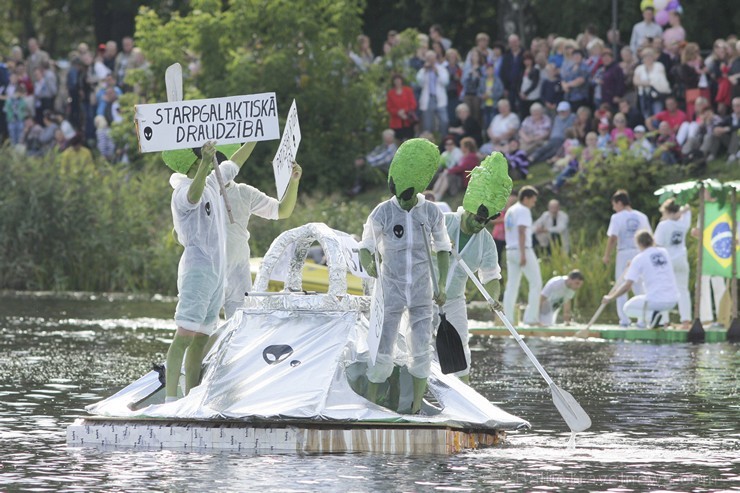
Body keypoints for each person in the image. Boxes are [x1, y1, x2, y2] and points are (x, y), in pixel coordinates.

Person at [359, 138, 451, 414]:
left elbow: (443, 248)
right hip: (391, 288)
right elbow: (366, 245)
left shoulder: (431, 212)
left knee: (422, 348)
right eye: (400, 195)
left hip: (423, 290)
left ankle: (414, 408)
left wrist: (443, 284)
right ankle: (373, 403)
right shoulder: (383, 211)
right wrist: (368, 262)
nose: (404, 200)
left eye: (408, 196)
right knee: (383, 347)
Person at [163, 141, 251, 402]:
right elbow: (193, 196)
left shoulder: (213, 181)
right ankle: (170, 398)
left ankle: (191, 396)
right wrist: (204, 162)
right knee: (184, 336)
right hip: (198, 271)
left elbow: (235, 163)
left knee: (201, 338)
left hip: (216, 273)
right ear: (192, 159)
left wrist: (257, 132)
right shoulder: (181, 190)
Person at [434, 152, 512, 382]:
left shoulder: (486, 240)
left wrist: (494, 297)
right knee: (418, 351)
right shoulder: (443, 221)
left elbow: (490, 274)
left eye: (485, 221)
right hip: (422, 297)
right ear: (468, 208)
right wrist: (437, 245)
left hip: (454, 301)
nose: (480, 224)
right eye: (478, 218)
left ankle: (466, 398)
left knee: (461, 352)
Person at [220, 144, 303, 319]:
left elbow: (282, 211)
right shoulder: (202, 191)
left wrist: (294, 182)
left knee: (240, 328)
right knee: (199, 333)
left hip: (237, 272)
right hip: (208, 269)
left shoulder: (244, 192)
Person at [602, 230, 679, 328]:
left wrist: (611, 297)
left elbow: (627, 286)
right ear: (652, 240)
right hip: (673, 301)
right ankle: (657, 320)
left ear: (638, 243)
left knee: (627, 308)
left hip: (656, 301)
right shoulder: (664, 252)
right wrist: (633, 265)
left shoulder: (639, 259)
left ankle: (652, 317)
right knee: (650, 301)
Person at [602, 189, 652, 326]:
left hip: (624, 252)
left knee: (621, 284)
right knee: (640, 286)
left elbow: (613, 237)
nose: (614, 208)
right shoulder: (642, 216)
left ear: (619, 203)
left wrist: (607, 255)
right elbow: (650, 236)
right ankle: (642, 320)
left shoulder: (616, 217)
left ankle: (624, 320)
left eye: (614, 205)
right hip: (640, 252)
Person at [503, 186, 542, 325]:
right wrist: (523, 254)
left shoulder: (510, 210)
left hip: (510, 250)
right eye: (533, 200)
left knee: (512, 285)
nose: (534, 203)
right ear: (526, 198)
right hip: (522, 249)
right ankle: (530, 318)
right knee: (536, 283)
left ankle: (508, 319)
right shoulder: (523, 210)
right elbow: (521, 231)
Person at [654, 199, 691, 329]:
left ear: (667, 212)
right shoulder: (683, 224)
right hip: (681, 260)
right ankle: (686, 321)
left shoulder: (663, 225)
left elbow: (657, 244)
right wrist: (682, 210)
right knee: (683, 290)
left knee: (665, 289)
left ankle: (665, 321)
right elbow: (688, 208)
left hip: (667, 261)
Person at [349, 129, 398, 196]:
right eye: (385, 137)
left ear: (392, 137)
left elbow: (384, 160)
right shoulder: (380, 147)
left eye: (388, 137)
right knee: (361, 163)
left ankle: (358, 188)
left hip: (386, 170)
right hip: (376, 167)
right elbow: (372, 155)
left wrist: (366, 162)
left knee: (365, 168)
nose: (385, 138)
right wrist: (364, 160)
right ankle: (357, 188)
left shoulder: (393, 148)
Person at [417, 50, 449, 136]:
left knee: (444, 121)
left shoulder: (441, 69)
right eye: (428, 59)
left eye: (432, 58)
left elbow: (445, 82)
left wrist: (436, 72)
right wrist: (424, 70)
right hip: (428, 99)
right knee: (428, 124)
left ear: (435, 59)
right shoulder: (423, 70)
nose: (431, 60)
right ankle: (429, 142)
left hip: (439, 98)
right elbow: (420, 83)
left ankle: (443, 140)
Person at [386, 74, 417, 142]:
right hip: (396, 122)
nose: (397, 82)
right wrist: (398, 112)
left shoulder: (408, 90)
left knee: (409, 140)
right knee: (398, 141)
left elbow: (413, 104)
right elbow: (389, 107)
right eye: (396, 81)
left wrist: (405, 111)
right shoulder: (390, 93)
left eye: (399, 80)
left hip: (408, 119)